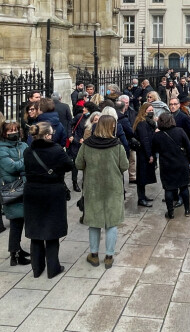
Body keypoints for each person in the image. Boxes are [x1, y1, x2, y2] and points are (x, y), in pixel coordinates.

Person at [75, 115, 129, 269]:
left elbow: (78, 163)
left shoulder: (87, 144)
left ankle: (93, 254)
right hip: (113, 188)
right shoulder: (117, 145)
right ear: (111, 127)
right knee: (111, 223)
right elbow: (124, 166)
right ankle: (109, 256)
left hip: (93, 188)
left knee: (94, 222)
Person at [24, 122, 73, 278]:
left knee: (36, 231)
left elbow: (27, 169)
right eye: (51, 134)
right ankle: (53, 268)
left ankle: (37, 268)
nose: (52, 136)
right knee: (52, 231)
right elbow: (69, 165)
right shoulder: (57, 150)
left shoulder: (28, 151)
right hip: (53, 192)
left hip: (32, 192)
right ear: (46, 135)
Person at [0, 121, 31, 267]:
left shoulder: (23, 145)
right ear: (4, 133)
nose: (13, 133)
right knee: (16, 222)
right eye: (10, 131)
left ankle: (18, 248)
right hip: (12, 189)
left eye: (15, 130)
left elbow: (28, 160)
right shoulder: (0, 148)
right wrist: (24, 162)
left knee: (22, 221)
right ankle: (14, 254)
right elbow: (11, 167)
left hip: (26, 187)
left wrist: (22, 165)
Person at [152, 112, 190, 218]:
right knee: (184, 187)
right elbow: (188, 147)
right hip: (181, 163)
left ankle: (170, 212)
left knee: (169, 189)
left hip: (166, 165)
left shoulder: (157, 136)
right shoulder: (180, 131)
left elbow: (154, 149)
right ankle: (187, 210)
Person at [132, 103, 158, 207]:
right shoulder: (142, 123)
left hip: (146, 151)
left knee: (144, 175)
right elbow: (145, 139)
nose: (151, 112)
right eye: (149, 110)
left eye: (152, 110)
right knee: (142, 176)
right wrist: (149, 155)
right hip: (143, 153)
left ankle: (143, 196)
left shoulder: (147, 122)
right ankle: (141, 198)